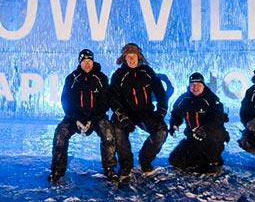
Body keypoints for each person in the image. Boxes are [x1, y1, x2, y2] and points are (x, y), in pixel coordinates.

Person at [48, 49, 116, 183]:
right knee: (60, 135)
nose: (87, 64)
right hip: (74, 118)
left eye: (89, 61)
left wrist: (93, 119)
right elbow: (65, 101)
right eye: (84, 61)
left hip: (96, 117)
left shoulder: (101, 78)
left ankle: (109, 169)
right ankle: (57, 170)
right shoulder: (72, 78)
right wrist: (76, 119)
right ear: (80, 62)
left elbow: (105, 101)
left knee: (108, 134)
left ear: (93, 61)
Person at [109, 43, 168, 180]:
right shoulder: (118, 75)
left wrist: (161, 113)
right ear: (124, 58)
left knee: (162, 131)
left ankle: (145, 160)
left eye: (133, 56)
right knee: (117, 131)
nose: (131, 59)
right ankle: (126, 166)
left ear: (138, 56)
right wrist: (121, 115)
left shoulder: (147, 71)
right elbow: (112, 98)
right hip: (125, 113)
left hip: (145, 112)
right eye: (128, 56)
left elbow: (160, 93)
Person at [168, 72, 230, 173]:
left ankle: (213, 160)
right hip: (193, 137)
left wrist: (205, 128)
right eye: (193, 84)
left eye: (198, 85)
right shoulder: (183, 99)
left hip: (212, 137)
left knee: (211, 160)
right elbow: (176, 113)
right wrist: (174, 124)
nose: (195, 87)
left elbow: (218, 117)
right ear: (189, 85)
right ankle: (200, 159)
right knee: (175, 160)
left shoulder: (211, 98)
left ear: (203, 85)